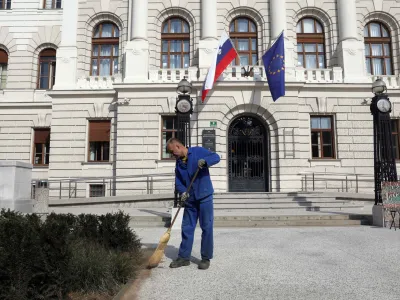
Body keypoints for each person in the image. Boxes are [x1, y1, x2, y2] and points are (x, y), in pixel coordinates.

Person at [166, 137, 220, 270]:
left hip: (204, 196)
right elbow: (178, 181)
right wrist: (183, 192)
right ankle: (184, 257)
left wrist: (206, 161)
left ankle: (205, 258)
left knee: (206, 227)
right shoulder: (178, 164)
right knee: (187, 228)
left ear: (178, 146)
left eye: (173, 152)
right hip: (190, 199)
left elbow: (216, 157)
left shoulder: (198, 151)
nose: (173, 155)